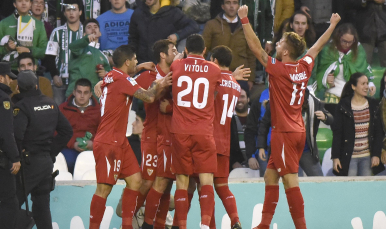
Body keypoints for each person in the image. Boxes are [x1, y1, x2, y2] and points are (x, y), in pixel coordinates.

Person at [238, 4, 340, 228]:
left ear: (285, 52)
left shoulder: (279, 69)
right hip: (296, 130)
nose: (277, 44)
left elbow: (256, 49)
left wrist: (244, 20)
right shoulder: (303, 66)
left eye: (280, 43)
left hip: (284, 132)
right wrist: (332, 25)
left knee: (291, 181)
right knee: (270, 177)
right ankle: (264, 225)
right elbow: (317, 46)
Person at [88, 44, 172, 229]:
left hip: (119, 141)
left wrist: (140, 67)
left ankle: (127, 226)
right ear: (127, 61)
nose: (136, 62)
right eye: (134, 60)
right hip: (108, 142)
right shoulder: (123, 80)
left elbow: (117, 79)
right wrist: (158, 83)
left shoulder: (111, 76)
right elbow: (150, 97)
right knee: (104, 189)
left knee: (135, 181)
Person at [170, 34, 221, 229]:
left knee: (182, 181)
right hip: (203, 131)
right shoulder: (214, 69)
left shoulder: (177, 66)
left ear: (185, 50)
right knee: (206, 178)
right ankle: (205, 225)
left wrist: (178, 59)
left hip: (180, 131)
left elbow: (171, 69)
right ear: (205, 51)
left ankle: (181, 226)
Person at [13, 70, 72, 229]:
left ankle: (26, 222)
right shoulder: (51, 103)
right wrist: (50, 153)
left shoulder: (21, 107)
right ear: (37, 85)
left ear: (18, 88)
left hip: (27, 163)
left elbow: (17, 136)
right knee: (42, 206)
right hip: (46, 163)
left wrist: (16, 158)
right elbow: (67, 131)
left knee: (11, 202)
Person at [134, 39, 179, 229]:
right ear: (163, 54)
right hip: (152, 134)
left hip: (172, 136)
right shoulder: (149, 75)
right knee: (148, 181)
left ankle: (159, 225)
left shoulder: (179, 74)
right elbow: (125, 83)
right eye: (173, 49)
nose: (177, 52)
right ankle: (129, 218)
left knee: (167, 184)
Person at [257, 88, 333, 177]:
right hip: (285, 151)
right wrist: (261, 146)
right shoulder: (276, 102)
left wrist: (325, 117)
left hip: (306, 149)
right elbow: (264, 125)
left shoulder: (312, 101)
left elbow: (330, 119)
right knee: (294, 181)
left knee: (319, 180)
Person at [209, 45, 242, 229]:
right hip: (224, 141)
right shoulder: (236, 85)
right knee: (222, 186)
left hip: (208, 139)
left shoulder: (213, 80)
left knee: (204, 187)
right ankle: (235, 219)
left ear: (214, 61)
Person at [332, 72, 385, 176]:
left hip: (367, 157)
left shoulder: (374, 105)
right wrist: (335, 157)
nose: (366, 87)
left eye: (367, 83)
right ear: (353, 86)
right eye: (363, 84)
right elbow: (338, 133)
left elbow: (378, 132)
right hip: (349, 157)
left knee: (365, 190)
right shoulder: (343, 106)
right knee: (350, 190)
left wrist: (375, 155)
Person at [316, 23, 376, 114]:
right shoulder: (328, 50)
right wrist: (326, 79)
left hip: (354, 95)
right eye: (344, 41)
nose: (347, 44)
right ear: (338, 37)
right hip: (333, 95)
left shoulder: (359, 51)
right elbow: (318, 71)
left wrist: (370, 84)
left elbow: (364, 70)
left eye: (350, 42)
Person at [202, 0, 256, 90]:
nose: (231, 6)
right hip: (217, 74)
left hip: (241, 75)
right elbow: (203, 50)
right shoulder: (211, 25)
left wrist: (251, 79)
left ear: (239, 6)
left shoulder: (246, 26)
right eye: (228, 3)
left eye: (235, 3)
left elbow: (251, 54)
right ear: (223, 6)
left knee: (241, 102)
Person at [128, 0, 199, 64]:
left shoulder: (173, 12)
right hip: (143, 63)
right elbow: (133, 38)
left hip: (166, 64)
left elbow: (193, 26)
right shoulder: (137, 13)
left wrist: (177, 36)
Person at [45, 0, 84, 105]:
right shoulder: (57, 32)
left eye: (74, 9)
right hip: (60, 82)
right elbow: (49, 55)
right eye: (68, 10)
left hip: (82, 83)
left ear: (80, 12)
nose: (71, 13)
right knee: (59, 114)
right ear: (64, 13)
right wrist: (54, 75)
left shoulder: (86, 32)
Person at [59, 78, 100, 174]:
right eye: (79, 92)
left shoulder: (99, 110)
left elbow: (104, 132)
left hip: (93, 148)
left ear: (90, 94)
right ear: (74, 92)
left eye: (85, 93)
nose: (82, 96)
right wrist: (73, 143)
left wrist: (93, 144)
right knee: (66, 162)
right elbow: (58, 132)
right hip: (69, 148)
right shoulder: (63, 109)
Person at [66, 18, 110, 97]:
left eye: (95, 27)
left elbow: (110, 75)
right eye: (89, 27)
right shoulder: (80, 49)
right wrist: (86, 39)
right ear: (84, 34)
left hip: (94, 97)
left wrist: (105, 74)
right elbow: (72, 47)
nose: (93, 29)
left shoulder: (103, 55)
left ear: (100, 33)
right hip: (76, 94)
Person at [0, 0, 48, 71]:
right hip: (10, 70)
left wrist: (29, 51)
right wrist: (7, 48)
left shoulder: (39, 25)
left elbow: (44, 51)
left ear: (30, 4)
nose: (23, 3)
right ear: (14, 4)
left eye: (26, 1)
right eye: (20, 1)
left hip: (32, 70)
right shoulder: (4, 23)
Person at [0, 62, 20, 229]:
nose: (11, 81)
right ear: (1, 77)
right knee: (9, 203)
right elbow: (6, 132)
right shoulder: (4, 99)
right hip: (2, 159)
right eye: (9, 78)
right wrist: (14, 157)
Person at [349, 0, 386, 67]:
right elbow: (350, 4)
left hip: (384, 28)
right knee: (364, 62)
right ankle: (364, 77)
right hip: (365, 31)